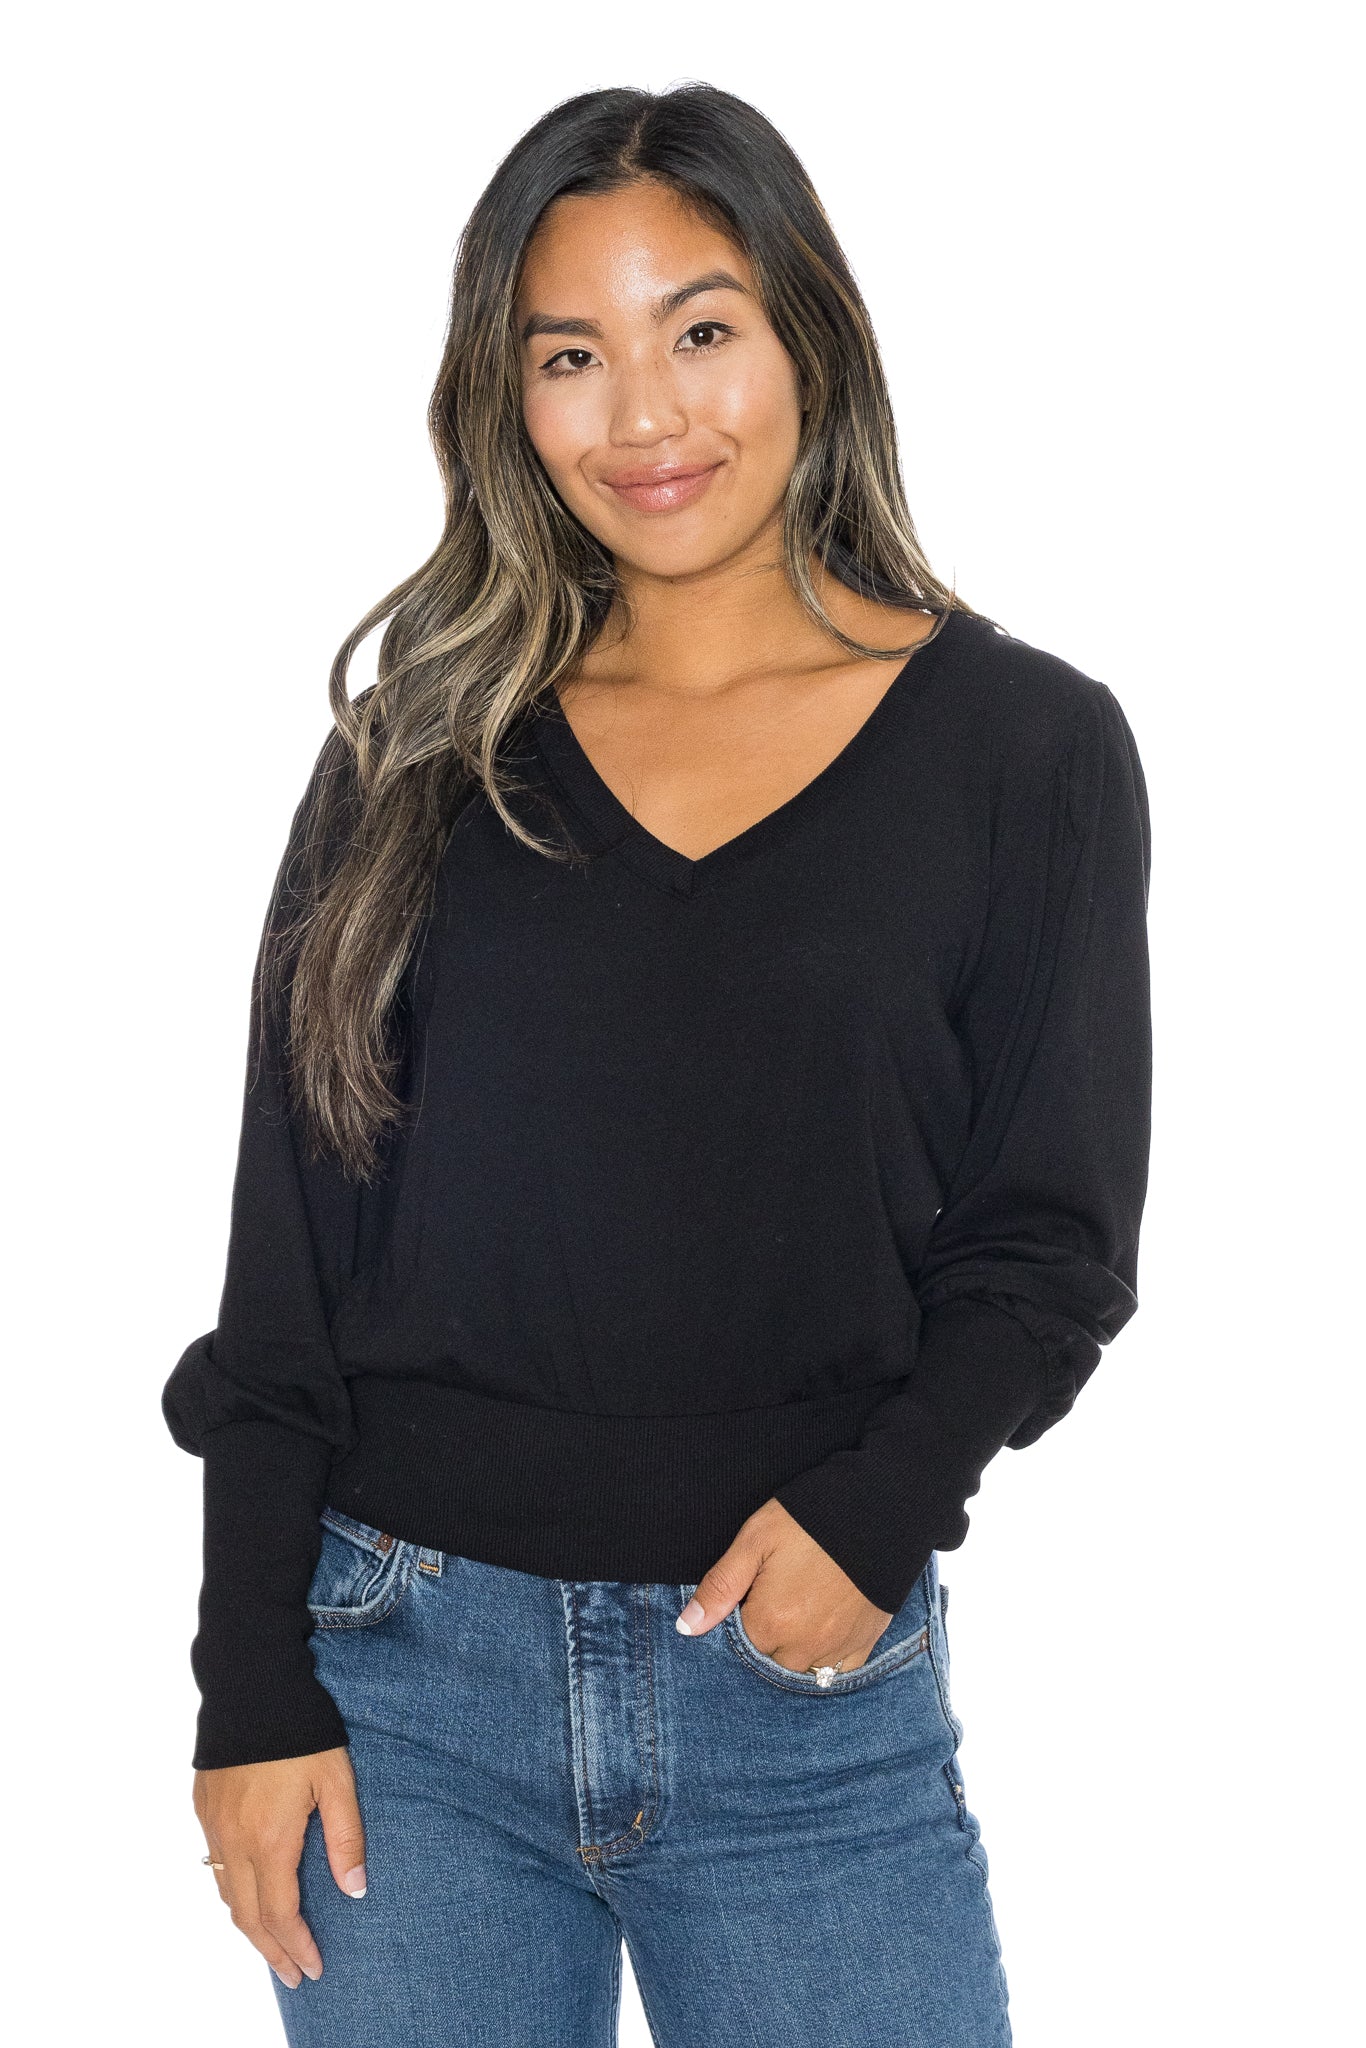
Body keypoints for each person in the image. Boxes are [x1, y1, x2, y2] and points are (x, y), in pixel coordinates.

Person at [163, 81, 1152, 2048]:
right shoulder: (412, 757)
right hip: (400, 1698)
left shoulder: (1022, 748)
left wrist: (877, 1512)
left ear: (805, 333)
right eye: (569, 355)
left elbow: (1047, 1239)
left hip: (799, 1698)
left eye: (698, 328)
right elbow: (289, 1262)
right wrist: (245, 1684)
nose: (644, 415)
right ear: (505, 399)